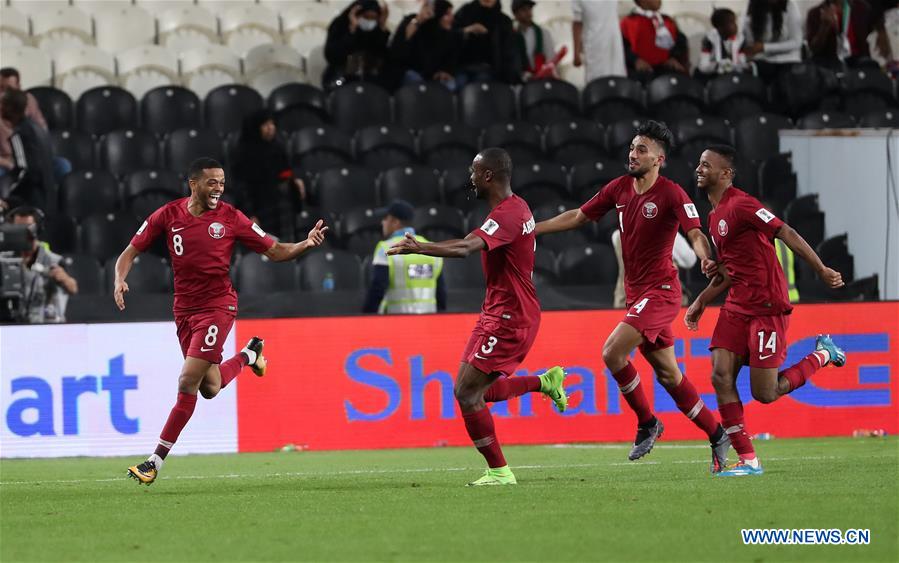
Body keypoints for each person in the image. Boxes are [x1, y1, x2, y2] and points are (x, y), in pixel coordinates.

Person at [117, 157, 328, 485]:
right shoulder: (168, 214)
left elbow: (274, 250)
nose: (218, 188)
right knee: (210, 387)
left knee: (187, 381)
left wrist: (304, 243)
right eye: (212, 182)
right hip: (184, 310)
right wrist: (119, 279)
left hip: (218, 307)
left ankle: (154, 461)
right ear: (193, 184)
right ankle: (250, 355)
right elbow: (129, 251)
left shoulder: (232, 218)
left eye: (222, 182)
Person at [535, 120, 730, 465]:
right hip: (637, 295)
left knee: (612, 352)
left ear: (659, 159)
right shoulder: (619, 189)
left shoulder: (672, 193)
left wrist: (703, 257)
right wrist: (534, 230)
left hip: (663, 292)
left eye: (642, 149)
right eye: (632, 148)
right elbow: (580, 215)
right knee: (670, 375)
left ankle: (647, 422)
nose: (633, 154)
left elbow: (695, 232)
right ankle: (718, 434)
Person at [388, 148, 567, 486]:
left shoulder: (508, 215)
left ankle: (500, 472)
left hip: (510, 316)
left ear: (488, 176)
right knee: (471, 392)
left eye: (474, 170)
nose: (469, 176)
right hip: (498, 312)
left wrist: (420, 247)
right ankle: (545, 383)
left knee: (468, 394)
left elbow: (464, 248)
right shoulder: (516, 207)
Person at [686, 145, 847, 476]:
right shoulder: (715, 217)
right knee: (719, 374)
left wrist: (820, 269)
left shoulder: (743, 205)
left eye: (707, 165)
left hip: (767, 306)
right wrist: (701, 301)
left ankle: (821, 355)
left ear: (726, 173)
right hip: (737, 305)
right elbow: (731, 271)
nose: (699, 169)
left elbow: (784, 232)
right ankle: (749, 460)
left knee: (765, 393)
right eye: (699, 164)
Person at [230, 110, 305, 240]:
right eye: (266, 125)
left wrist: (295, 181)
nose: (271, 128)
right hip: (261, 210)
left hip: (283, 207)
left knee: (289, 248)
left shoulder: (277, 147)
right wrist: (250, 214)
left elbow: (286, 171)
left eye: (272, 124)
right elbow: (241, 187)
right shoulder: (243, 153)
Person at [362, 199, 447, 314]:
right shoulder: (432, 248)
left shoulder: (387, 247)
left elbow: (378, 287)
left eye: (385, 218)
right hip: (428, 323)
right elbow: (441, 293)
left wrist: (366, 316)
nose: (382, 223)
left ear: (395, 222)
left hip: (398, 323)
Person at [3, 205, 77, 323]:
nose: (22, 232)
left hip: (45, 327)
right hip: (12, 328)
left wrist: (64, 279)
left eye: (27, 227)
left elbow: (72, 288)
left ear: (38, 229)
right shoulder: (5, 260)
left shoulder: (54, 260)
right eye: (17, 228)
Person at [0, 67, 70, 185]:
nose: (3, 94)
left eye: (9, 89)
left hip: (31, 158)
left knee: (62, 165)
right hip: (4, 162)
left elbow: (41, 135)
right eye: (0, 88)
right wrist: (8, 163)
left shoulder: (28, 103)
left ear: (19, 87)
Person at [0, 89, 55, 212]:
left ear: (8, 108)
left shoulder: (19, 135)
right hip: (47, 199)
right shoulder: (38, 129)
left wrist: (9, 198)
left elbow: (25, 171)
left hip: (31, 202)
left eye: (1, 105)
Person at [611, 229, 696, 308]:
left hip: (626, 304)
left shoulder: (618, 235)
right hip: (662, 304)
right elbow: (690, 260)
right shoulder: (669, 233)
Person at [391, 0, 462, 91]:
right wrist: (418, 20)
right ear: (438, 15)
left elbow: (450, 60)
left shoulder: (448, 34)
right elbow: (399, 47)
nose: (452, 17)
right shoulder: (414, 21)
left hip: (432, 76)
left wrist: (445, 72)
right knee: (417, 81)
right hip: (409, 71)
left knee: (450, 85)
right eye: (447, 14)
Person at [323, 0, 392, 89]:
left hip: (368, 81)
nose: (369, 21)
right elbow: (332, 55)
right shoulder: (340, 25)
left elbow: (382, 56)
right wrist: (352, 31)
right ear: (355, 15)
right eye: (366, 17)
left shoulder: (376, 31)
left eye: (373, 18)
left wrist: (382, 26)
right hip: (339, 79)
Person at [452, 0, 523, 86]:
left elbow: (510, 51)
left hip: (489, 69)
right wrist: (466, 31)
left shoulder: (503, 20)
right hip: (461, 67)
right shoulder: (464, 12)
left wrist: (512, 76)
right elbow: (450, 35)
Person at [620, 0, 689, 80]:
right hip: (640, 70)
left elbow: (680, 42)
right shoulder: (628, 22)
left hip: (665, 67)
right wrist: (635, 60)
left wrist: (674, 57)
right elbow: (622, 47)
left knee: (679, 79)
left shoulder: (667, 21)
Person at [742, 0, 803, 82]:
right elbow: (751, 44)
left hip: (787, 61)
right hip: (762, 61)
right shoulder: (753, 8)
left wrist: (764, 47)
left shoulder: (790, 6)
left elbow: (796, 42)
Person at [806, 0, 873, 69]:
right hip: (830, 68)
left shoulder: (861, 8)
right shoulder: (816, 13)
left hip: (859, 65)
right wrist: (824, 27)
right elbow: (814, 49)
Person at [572, 0, 626, 82]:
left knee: (618, 80)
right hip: (594, 46)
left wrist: (576, 54)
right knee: (596, 84)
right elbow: (577, 23)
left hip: (613, 45)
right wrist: (576, 54)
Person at [696, 8, 750, 79]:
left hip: (733, 74)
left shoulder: (740, 38)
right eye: (732, 22)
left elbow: (741, 61)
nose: (736, 26)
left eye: (735, 22)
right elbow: (703, 66)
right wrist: (718, 65)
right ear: (720, 27)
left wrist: (743, 66)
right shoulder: (709, 39)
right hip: (713, 75)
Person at [512, 0, 558, 80]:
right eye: (523, 10)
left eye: (529, 9)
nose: (528, 13)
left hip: (541, 80)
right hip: (520, 81)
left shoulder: (543, 33)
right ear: (515, 14)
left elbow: (551, 59)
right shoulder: (512, 35)